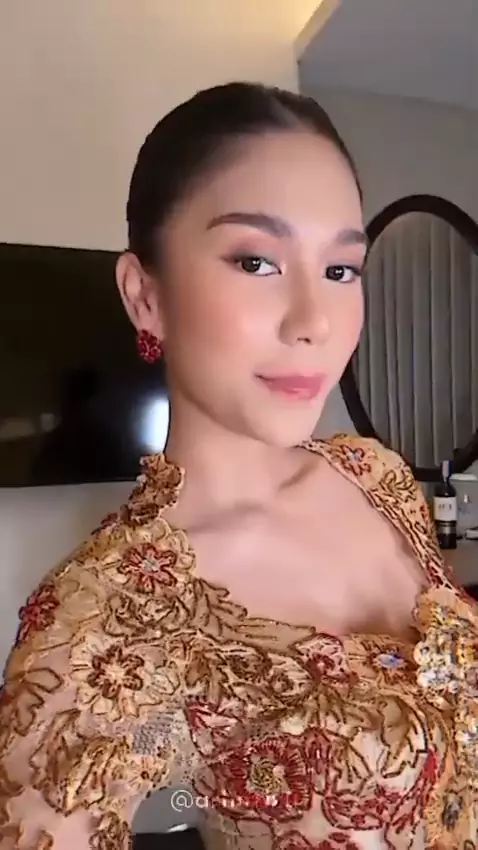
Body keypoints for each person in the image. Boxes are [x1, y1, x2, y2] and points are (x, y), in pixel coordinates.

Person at [0, 82, 476, 850]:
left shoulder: (375, 477)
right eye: (256, 261)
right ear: (144, 296)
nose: (314, 322)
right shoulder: (108, 616)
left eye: (341, 270)